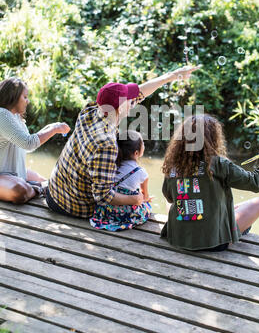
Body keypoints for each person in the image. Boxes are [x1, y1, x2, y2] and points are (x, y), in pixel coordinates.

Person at [46, 66, 198, 218]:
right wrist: (135, 199)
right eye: (129, 100)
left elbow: (139, 92)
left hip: (55, 190)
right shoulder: (107, 144)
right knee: (141, 209)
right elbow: (103, 197)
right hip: (72, 206)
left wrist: (172, 75)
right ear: (120, 107)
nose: (134, 100)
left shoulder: (91, 110)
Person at [161, 114, 259, 252]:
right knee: (258, 203)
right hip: (214, 242)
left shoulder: (173, 164)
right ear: (214, 138)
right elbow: (256, 183)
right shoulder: (219, 164)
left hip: (178, 238)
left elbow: (169, 197)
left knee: (172, 203)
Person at [0, 77, 70, 204]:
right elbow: (28, 143)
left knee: (52, 183)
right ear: (13, 97)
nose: (28, 101)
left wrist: (52, 127)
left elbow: (29, 145)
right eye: (25, 97)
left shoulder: (16, 117)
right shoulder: (2, 114)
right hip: (2, 175)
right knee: (19, 191)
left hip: (14, 173)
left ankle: (37, 187)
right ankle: (37, 190)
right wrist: (54, 128)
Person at [90, 130, 152, 231]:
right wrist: (147, 200)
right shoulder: (141, 172)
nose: (144, 145)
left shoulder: (110, 165)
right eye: (143, 143)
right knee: (147, 206)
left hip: (106, 212)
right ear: (136, 153)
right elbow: (145, 197)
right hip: (124, 215)